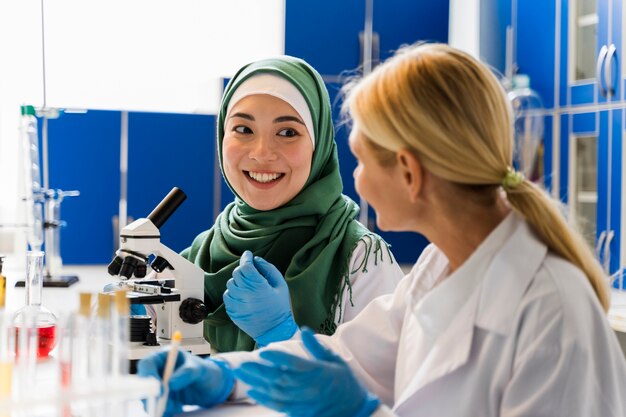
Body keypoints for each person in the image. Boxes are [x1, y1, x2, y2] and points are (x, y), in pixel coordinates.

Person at [137, 43, 626, 417]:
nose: (355, 180)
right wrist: (223, 376)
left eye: (363, 159)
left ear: (409, 174)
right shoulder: (444, 266)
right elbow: (349, 355)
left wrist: (361, 413)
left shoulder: (552, 316)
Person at [179, 55, 403, 353]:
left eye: (287, 132)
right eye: (243, 129)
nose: (261, 153)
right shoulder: (198, 254)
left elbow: (388, 379)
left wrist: (281, 335)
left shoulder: (360, 258)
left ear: (319, 145)